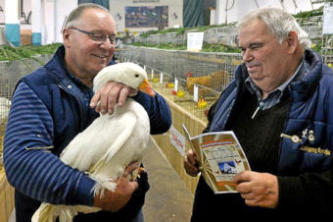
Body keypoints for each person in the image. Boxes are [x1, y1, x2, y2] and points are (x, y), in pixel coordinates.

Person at [3, 3, 171, 222]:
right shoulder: (36, 89)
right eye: (97, 36)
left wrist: (133, 91)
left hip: (125, 215)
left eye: (112, 38)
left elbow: (163, 121)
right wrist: (95, 193)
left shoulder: (121, 76)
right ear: (67, 37)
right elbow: (22, 160)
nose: (107, 46)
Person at [184, 7, 333, 220]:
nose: (246, 57)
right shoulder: (236, 88)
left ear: (290, 42)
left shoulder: (327, 95)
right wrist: (199, 156)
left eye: (255, 46)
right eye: (242, 49)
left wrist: (284, 190)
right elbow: (212, 132)